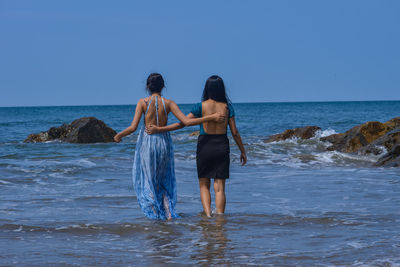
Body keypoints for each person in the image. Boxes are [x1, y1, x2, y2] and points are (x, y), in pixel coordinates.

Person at [114, 73, 225, 220]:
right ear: (163, 86)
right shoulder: (168, 103)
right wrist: (211, 117)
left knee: (149, 180)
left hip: (148, 142)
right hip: (164, 142)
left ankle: (154, 215)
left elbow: (133, 127)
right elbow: (186, 122)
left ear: (148, 86)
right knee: (164, 179)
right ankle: (168, 213)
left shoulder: (143, 102)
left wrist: (118, 136)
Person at [146, 75, 247, 217]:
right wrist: (243, 151)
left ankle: (208, 216)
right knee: (220, 187)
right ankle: (220, 218)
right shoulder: (227, 107)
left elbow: (184, 123)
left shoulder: (200, 106)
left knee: (204, 185)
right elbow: (235, 133)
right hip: (222, 145)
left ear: (207, 89)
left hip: (205, 145)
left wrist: (159, 129)